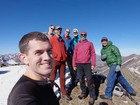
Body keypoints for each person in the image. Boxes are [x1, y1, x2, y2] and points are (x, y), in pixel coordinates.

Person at [7, 32, 59, 105]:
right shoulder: (23, 95)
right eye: (38, 52)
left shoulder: (40, 82)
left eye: (49, 51)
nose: (47, 57)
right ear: (24, 59)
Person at [72, 31, 96, 105]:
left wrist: (93, 64)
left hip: (87, 64)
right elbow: (74, 55)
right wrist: (74, 65)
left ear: (86, 35)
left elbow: (93, 53)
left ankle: (92, 96)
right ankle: (84, 92)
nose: (83, 36)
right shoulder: (77, 45)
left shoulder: (90, 43)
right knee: (81, 79)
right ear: (80, 35)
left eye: (84, 34)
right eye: (81, 35)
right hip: (79, 64)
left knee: (89, 79)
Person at [49, 26, 72, 100]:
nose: (59, 31)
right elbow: (49, 49)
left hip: (62, 62)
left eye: (60, 30)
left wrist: (65, 56)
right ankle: (50, 94)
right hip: (55, 61)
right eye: (58, 30)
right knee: (52, 77)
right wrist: (54, 56)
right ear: (55, 31)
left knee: (62, 78)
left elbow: (65, 49)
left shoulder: (62, 39)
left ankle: (64, 93)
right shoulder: (52, 39)